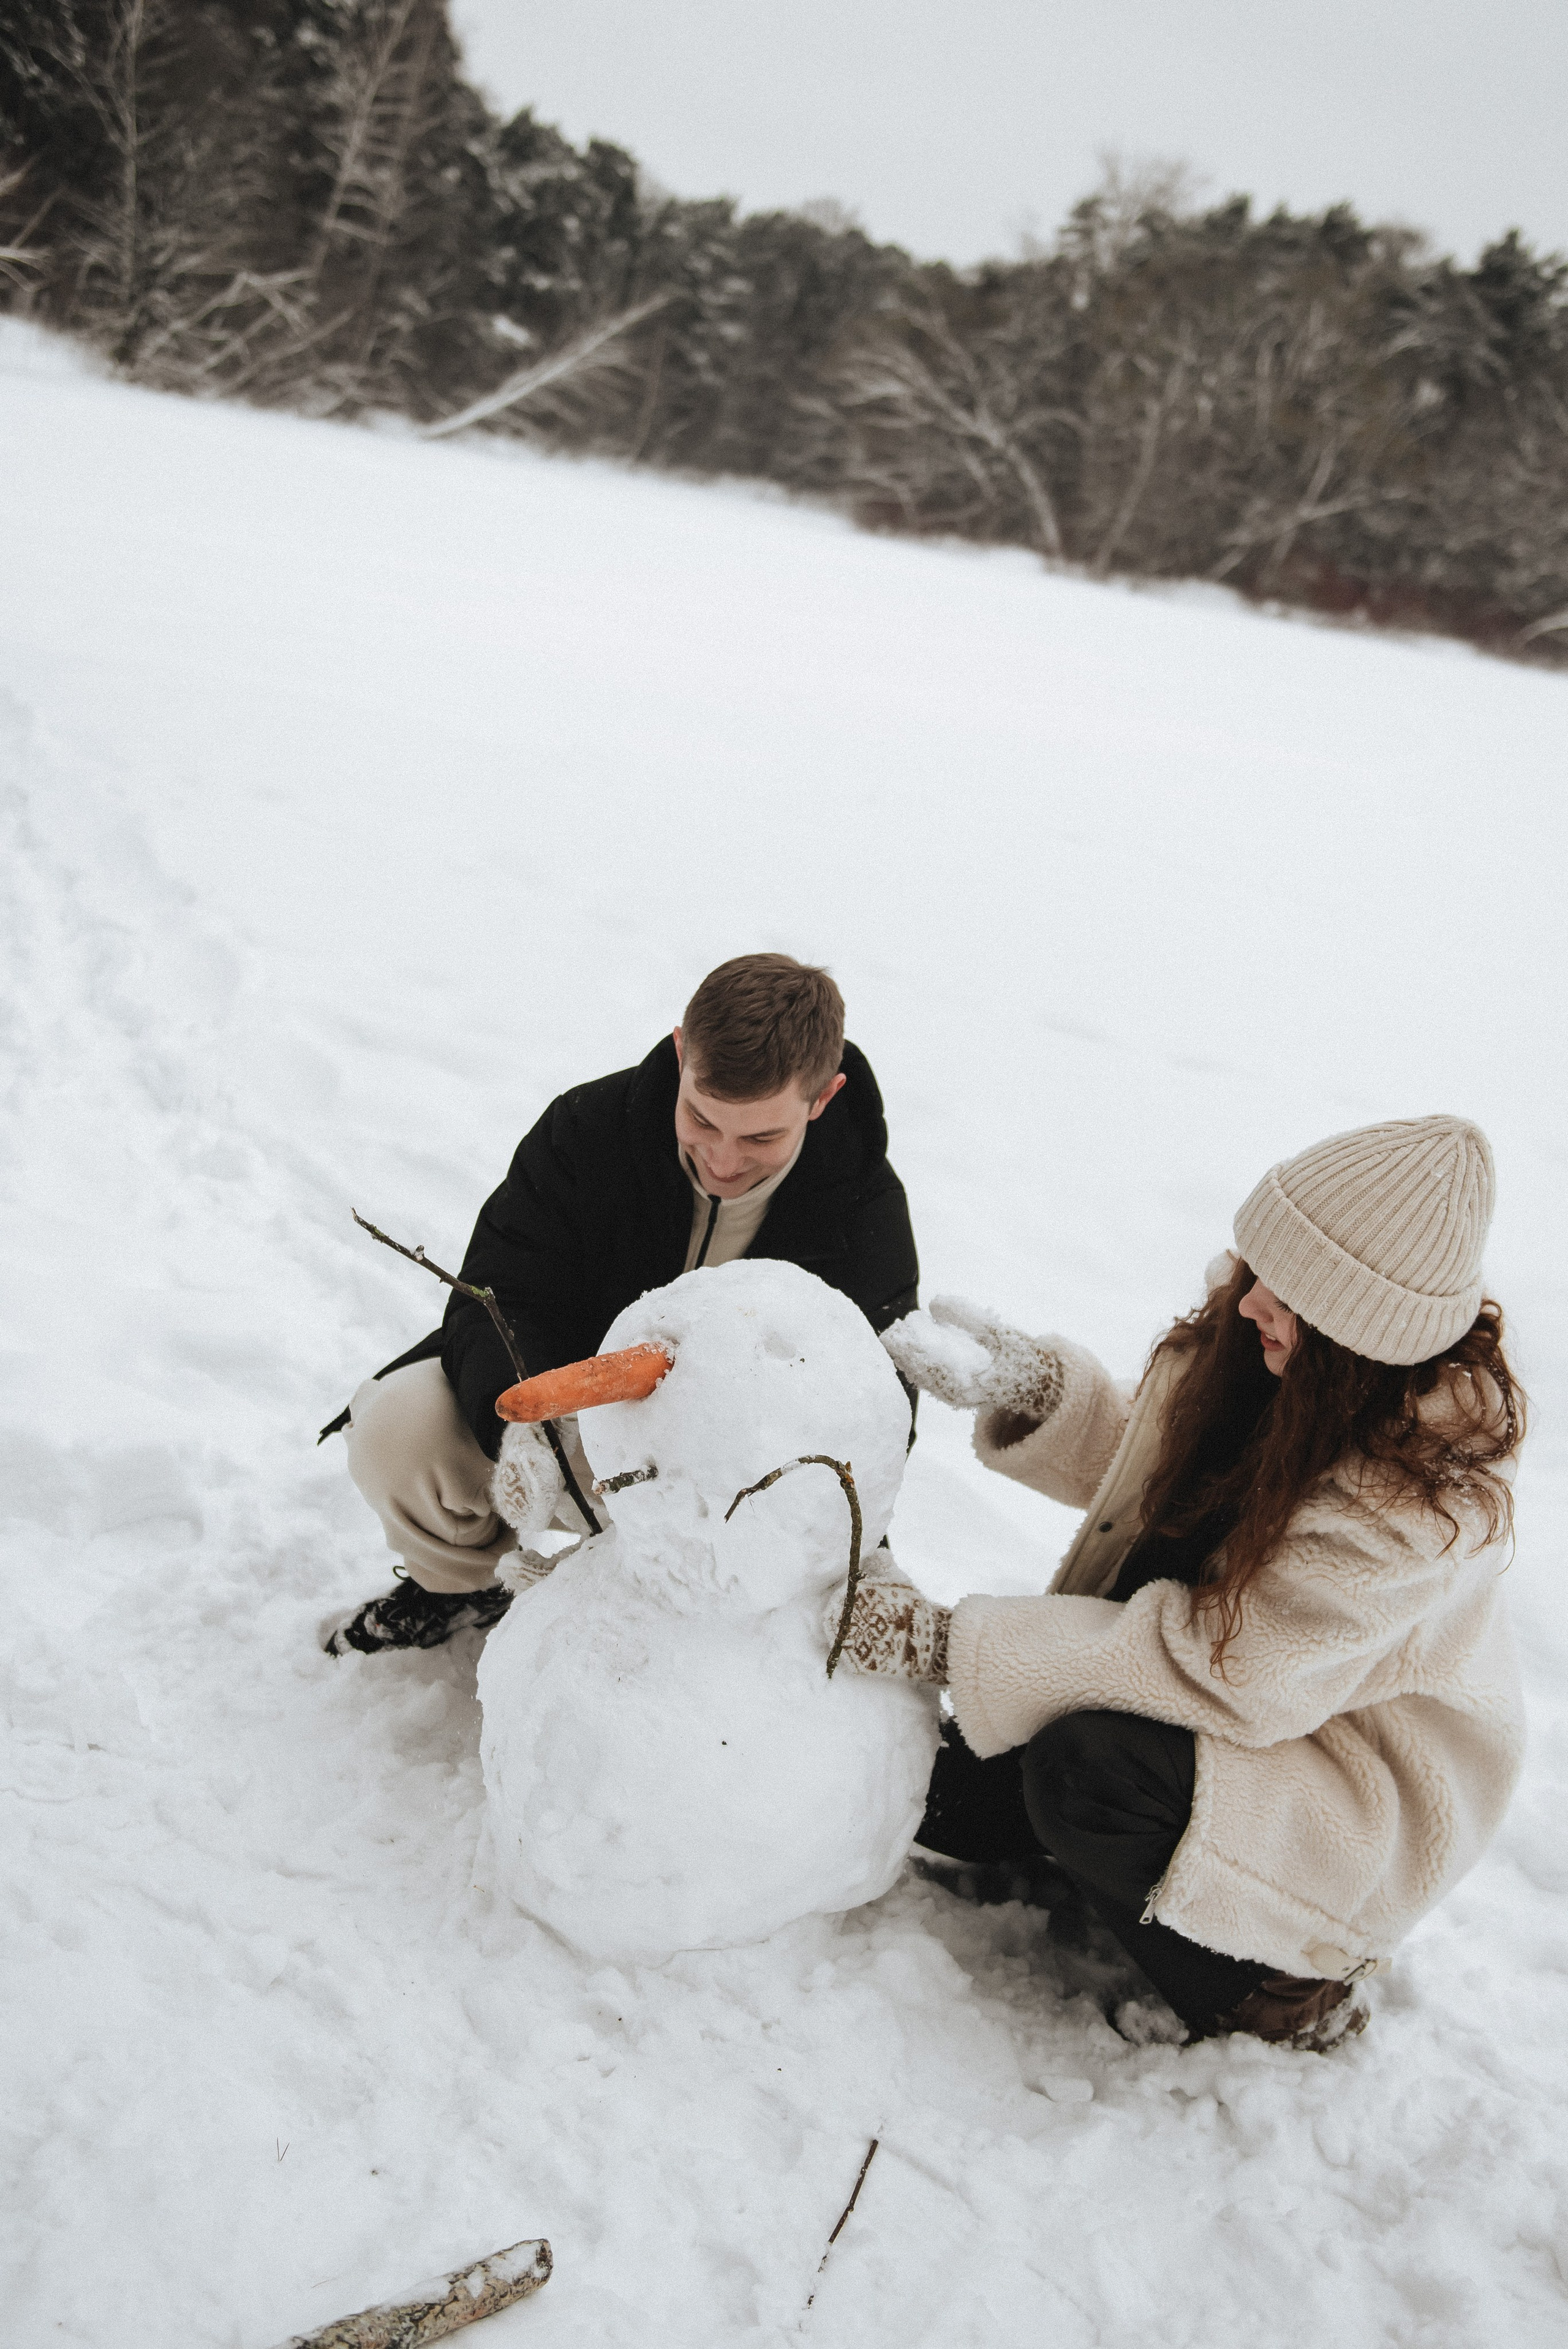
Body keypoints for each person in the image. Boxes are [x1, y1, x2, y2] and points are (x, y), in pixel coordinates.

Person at [829, 1116, 1526, 2052]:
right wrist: (1043, 1392)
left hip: (1333, 1787)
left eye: (1290, 1293)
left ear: (1357, 1334)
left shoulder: (1420, 1505)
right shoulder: (1286, 1355)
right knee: (940, 1794)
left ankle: (1273, 1990)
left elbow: (1234, 1668)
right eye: (1258, 1268)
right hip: (1234, 1710)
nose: (1249, 1303)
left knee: (1081, 1776)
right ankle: (1097, 1847)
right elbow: (1180, 1483)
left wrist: (946, 1640)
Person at [324, 953, 918, 1655]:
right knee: (399, 1428)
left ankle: (683, 1656)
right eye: (701, 1118)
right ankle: (460, 1590)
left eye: (762, 1136)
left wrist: (838, 1544)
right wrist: (531, 1430)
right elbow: (502, 1292)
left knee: (765, 1631)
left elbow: (872, 1409)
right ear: (680, 1053)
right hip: (575, 1427)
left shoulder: (864, 1209)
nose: (723, 1161)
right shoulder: (588, 1130)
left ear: (822, 1099)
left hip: (725, 1485)